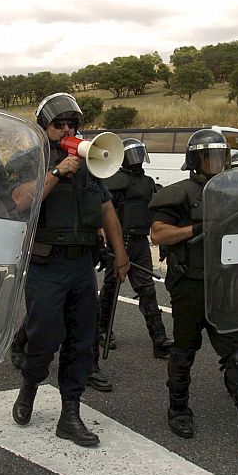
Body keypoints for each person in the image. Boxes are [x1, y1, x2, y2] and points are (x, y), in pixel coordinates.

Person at [149, 129, 238, 457]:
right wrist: (194, 229)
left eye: (219, 157)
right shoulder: (178, 194)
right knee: (184, 351)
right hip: (191, 286)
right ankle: (178, 410)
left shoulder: (235, 193)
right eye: (208, 157)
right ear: (194, 160)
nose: (214, 163)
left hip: (227, 284)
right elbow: (158, 235)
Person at [11, 93, 129, 447]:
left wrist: (120, 254)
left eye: (72, 124)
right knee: (44, 336)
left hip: (81, 265)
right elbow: (20, 202)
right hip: (47, 265)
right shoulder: (30, 159)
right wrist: (57, 172)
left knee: (81, 341)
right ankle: (29, 386)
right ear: (44, 127)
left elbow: (106, 209)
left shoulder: (91, 163)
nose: (67, 129)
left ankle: (70, 413)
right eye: (59, 124)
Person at [98, 138, 173, 359]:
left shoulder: (148, 182)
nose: (137, 159)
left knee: (147, 290)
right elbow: (104, 211)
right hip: (120, 242)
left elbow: (156, 210)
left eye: (139, 153)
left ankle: (159, 339)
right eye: (133, 154)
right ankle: (102, 331)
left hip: (140, 243)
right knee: (111, 290)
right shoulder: (115, 181)